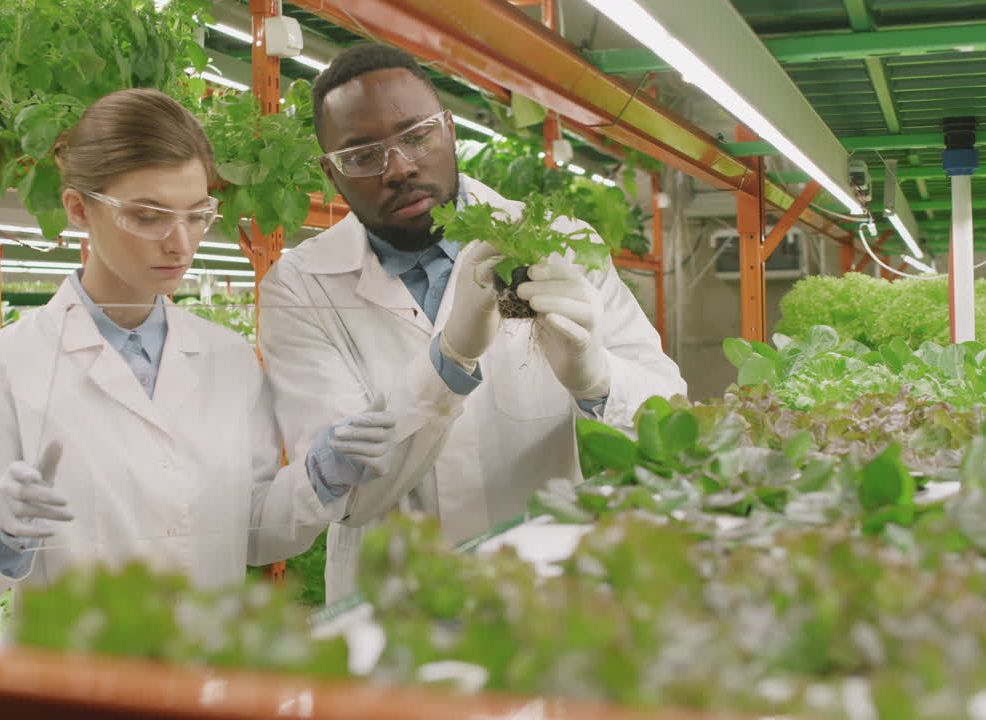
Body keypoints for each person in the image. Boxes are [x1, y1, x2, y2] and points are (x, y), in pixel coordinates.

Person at [258, 44, 687, 603]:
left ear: (450, 129)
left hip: (549, 595)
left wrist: (597, 380)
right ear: (330, 172)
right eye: (362, 155)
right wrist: (447, 364)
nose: (400, 168)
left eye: (416, 136)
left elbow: (672, 424)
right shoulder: (299, 287)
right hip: (398, 611)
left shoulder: (560, 242)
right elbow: (350, 497)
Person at [0, 88, 338, 645]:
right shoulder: (3, 366)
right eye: (148, 216)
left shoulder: (230, 361)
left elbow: (255, 532)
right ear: (77, 208)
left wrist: (323, 477)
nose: (180, 243)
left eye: (196, 215)